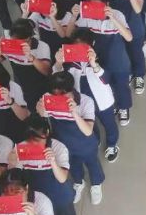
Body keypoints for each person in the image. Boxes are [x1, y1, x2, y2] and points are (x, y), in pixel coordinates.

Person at [64, 0, 134, 127]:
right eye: (91, 5)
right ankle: (112, 104)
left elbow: (129, 37)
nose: (94, 9)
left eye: (97, 6)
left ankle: (123, 107)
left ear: (106, 4)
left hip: (117, 59)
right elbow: (68, 34)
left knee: (120, 85)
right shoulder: (86, 17)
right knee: (105, 85)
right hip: (96, 60)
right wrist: (73, 16)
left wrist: (112, 18)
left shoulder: (117, 14)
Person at [11, 117, 80, 215]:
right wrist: (13, 163)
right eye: (31, 140)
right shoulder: (21, 148)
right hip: (38, 188)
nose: (34, 144)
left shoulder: (58, 147)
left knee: (66, 213)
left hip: (59, 189)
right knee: (50, 214)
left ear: (47, 133)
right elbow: (17, 176)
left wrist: (53, 161)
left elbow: (62, 178)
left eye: (38, 139)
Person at [39, 71, 105, 207]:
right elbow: (42, 114)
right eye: (55, 94)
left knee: (92, 164)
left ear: (71, 90)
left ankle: (96, 183)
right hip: (63, 142)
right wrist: (41, 109)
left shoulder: (86, 101)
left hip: (85, 143)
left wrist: (74, 113)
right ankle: (79, 182)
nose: (58, 98)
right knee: (73, 165)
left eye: (62, 94)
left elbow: (88, 131)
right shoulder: (48, 98)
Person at [56, 29, 120, 162]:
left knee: (109, 124)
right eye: (76, 47)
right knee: (90, 123)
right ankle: (95, 139)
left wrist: (94, 64)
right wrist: (58, 63)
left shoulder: (100, 57)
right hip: (83, 103)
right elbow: (60, 81)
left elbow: (106, 79)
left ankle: (112, 144)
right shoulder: (69, 63)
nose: (79, 50)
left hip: (102, 102)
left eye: (83, 47)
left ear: (91, 45)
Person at [99, 0, 146, 93]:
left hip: (133, 20)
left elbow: (138, 8)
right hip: (116, 21)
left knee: (135, 50)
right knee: (122, 50)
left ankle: (139, 75)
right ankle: (128, 72)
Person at [0, 18, 52, 112]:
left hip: (40, 87)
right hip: (20, 86)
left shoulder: (42, 47)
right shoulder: (10, 44)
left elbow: (46, 71)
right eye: (13, 41)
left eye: (19, 42)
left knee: (40, 110)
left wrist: (31, 57)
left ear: (28, 38)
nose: (15, 44)